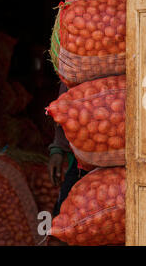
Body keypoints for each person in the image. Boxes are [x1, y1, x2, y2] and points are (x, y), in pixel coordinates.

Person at [48, 82, 92, 217]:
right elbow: (64, 107)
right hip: (81, 162)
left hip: (119, 161)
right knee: (64, 214)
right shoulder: (74, 69)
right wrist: (58, 149)